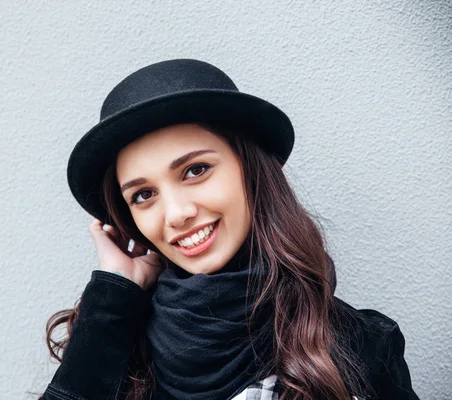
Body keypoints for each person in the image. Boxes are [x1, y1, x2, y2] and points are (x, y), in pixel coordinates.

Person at [39, 59, 419, 399]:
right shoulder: (114, 351)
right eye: (143, 195)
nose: (176, 214)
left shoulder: (362, 347)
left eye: (195, 170)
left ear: (250, 171)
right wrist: (112, 297)